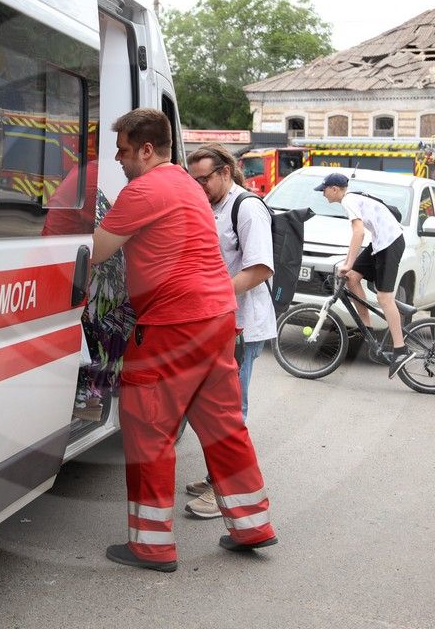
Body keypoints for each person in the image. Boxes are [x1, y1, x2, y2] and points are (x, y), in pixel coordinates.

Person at [92, 109, 277, 572]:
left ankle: (151, 546)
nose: (118, 159)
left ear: (147, 150)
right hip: (217, 318)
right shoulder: (186, 186)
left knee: (148, 427)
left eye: (124, 150)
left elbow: (93, 252)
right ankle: (252, 524)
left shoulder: (145, 189)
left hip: (174, 324)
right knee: (223, 425)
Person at [182, 144, 276, 519]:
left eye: (204, 179)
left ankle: (225, 491)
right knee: (211, 406)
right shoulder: (210, 205)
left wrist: (211, 295)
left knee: (231, 409)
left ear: (225, 172)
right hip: (214, 321)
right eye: (194, 180)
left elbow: (260, 269)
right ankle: (215, 477)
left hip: (241, 325)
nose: (199, 185)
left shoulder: (247, 207)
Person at [315, 172, 411, 377]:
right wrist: (350, 267)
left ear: (334, 189)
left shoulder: (348, 200)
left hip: (390, 243)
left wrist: (348, 262)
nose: (323, 194)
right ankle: (367, 328)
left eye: (324, 189)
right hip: (380, 243)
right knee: (352, 278)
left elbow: (358, 232)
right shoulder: (352, 199)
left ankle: (400, 349)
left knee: (384, 297)